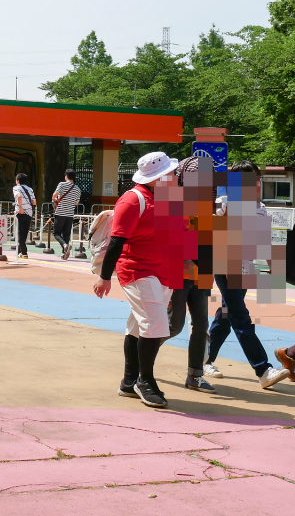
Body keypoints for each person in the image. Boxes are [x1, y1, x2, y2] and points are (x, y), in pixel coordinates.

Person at [93, 151, 179, 408]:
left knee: (139, 326)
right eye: (170, 173)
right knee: (154, 324)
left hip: (163, 271)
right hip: (137, 270)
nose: (174, 177)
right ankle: (146, 381)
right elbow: (117, 240)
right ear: (157, 178)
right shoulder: (133, 200)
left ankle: (129, 382)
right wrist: (104, 277)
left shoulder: (166, 198)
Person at [203, 160, 291, 389]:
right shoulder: (223, 203)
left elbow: (263, 243)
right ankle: (263, 369)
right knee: (241, 317)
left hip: (245, 266)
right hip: (225, 265)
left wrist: (274, 268)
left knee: (225, 316)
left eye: (257, 179)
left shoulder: (260, 207)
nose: (255, 184)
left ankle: (203, 359)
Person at [165, 156, 216, 393]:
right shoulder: (174, 201)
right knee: (174, 325)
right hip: (180, 268)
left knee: (201, 325)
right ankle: (139, 351)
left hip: (202, 268)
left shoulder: (209, 203)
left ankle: (195, 375)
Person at [52, 169, 81, 260]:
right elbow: (76, 203)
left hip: (60, 212)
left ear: (66, 176)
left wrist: (54, 200)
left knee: (56, 233)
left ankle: (65, 245)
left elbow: (55, 195)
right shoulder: (77, 189)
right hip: (70, 214)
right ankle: (64, 253)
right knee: (66, 234)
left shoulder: (62, 184)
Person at [12, 173, 36, 260]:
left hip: (20, 212)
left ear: (18, 181)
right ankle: (20, 251)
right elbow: (34, 202)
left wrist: (21, 207)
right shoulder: (30, 189)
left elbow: (18, 196)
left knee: (19, 233)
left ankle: (24, 252)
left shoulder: (16, 188)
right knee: (24, 233)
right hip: (29, 213)